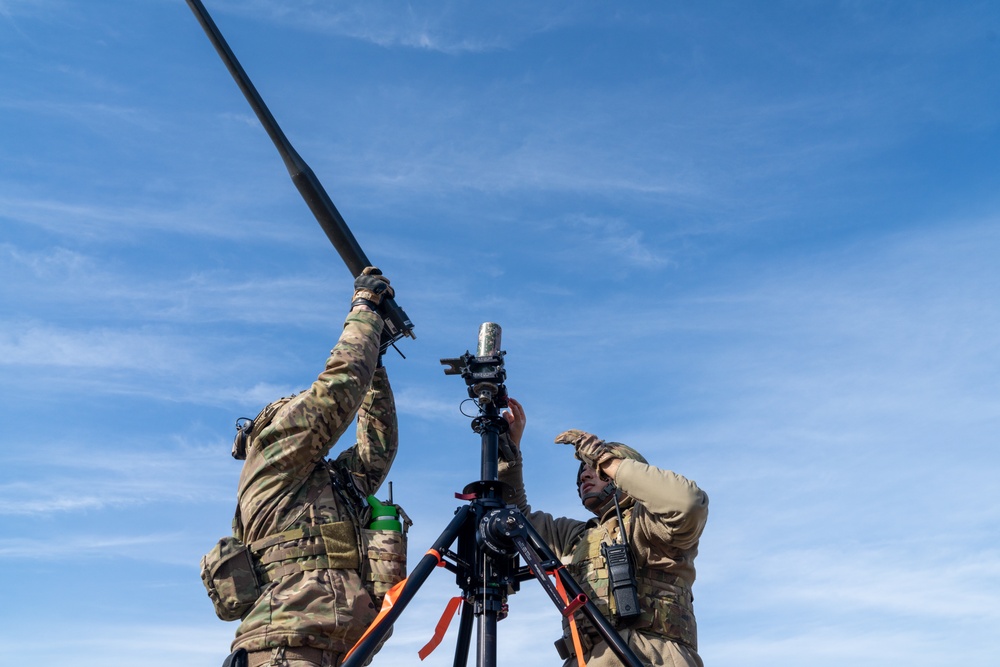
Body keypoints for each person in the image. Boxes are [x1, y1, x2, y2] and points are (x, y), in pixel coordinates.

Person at [226, 267, 400, 667]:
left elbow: (378, 447)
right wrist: (364, 311)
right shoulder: (272, 458)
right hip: (286, 651)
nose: (302, 406)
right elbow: (337, 392)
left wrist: (374, 364)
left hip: (342, 652)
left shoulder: (328, 483)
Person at [499, 397, 708, 667]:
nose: (585, 476)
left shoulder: (653, 526)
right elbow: (515, 520)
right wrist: (509, 455)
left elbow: (687, 503)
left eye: (595, 470)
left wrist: (603, 458)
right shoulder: (575, 537)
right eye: (583, 471)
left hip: (652, 658)